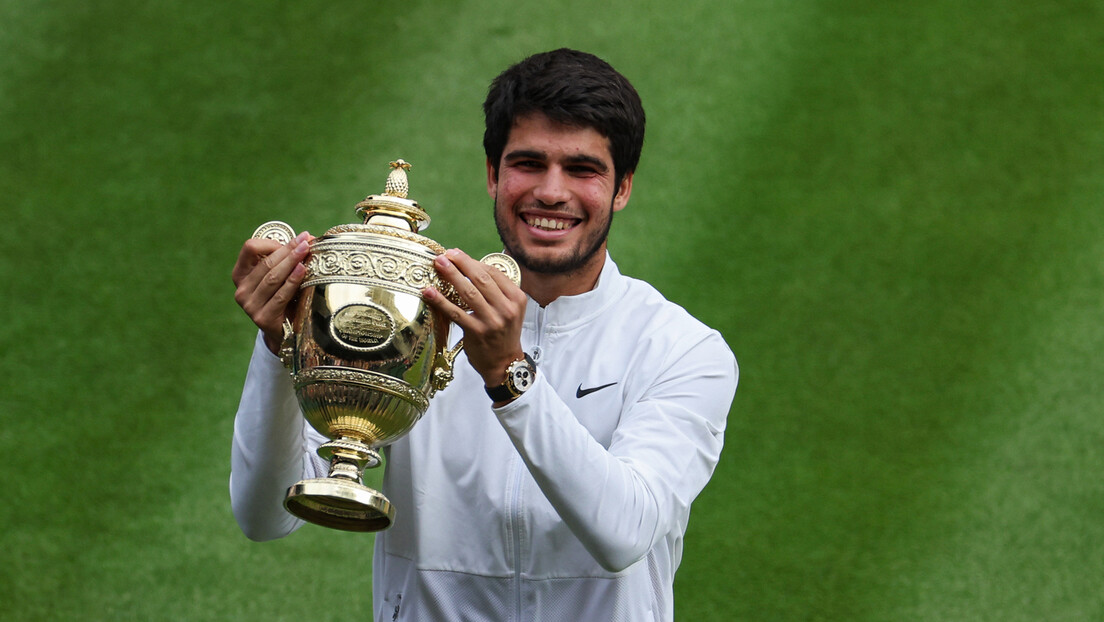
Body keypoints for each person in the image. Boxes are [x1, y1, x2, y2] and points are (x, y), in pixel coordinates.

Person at [230, 48, 738, 622]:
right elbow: (265, 517)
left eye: (582, 169)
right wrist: (282, 347)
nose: (551, 192)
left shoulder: (683, 349)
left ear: (621, 188)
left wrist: (509, 378)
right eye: (528, 163)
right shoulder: (417, 317)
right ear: (494, 175)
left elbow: (625, 531)